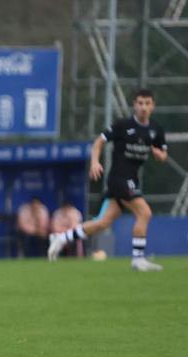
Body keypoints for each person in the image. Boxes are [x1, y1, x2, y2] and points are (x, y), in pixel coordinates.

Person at [49, 89, 167, 271]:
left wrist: (160, 155)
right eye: (140, 103)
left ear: (153, 106)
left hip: (131, 179)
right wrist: (95, 162)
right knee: (145, 213)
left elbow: (162, 154)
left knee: (102, 223)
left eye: (147, 103)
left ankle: (61, 238)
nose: (143, 107)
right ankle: (137, 259)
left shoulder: (156, 129)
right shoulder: (123, 125)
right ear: (134, 105)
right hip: (119, 178)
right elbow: (99, 141)